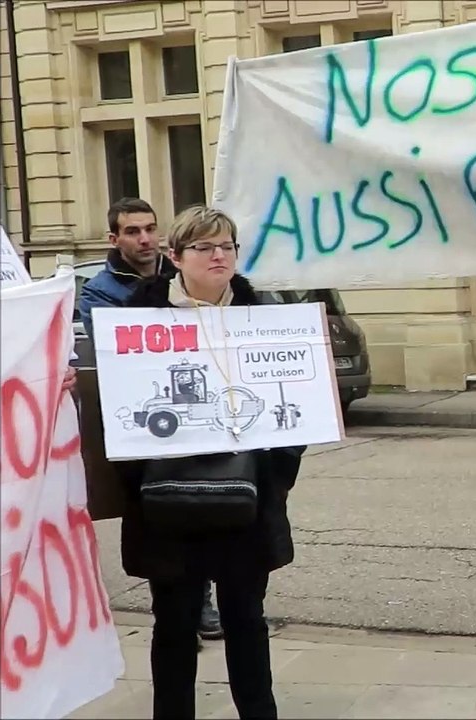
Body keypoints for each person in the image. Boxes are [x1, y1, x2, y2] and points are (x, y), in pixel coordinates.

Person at [119, 205, 305, 719]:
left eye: (226, 245)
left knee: (246, 619)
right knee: (174, 624)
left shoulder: (263, 315)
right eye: (204, 246)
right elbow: (115, 411)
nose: (218, 255)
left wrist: (275, 473)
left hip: (246, 500)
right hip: (166, 502)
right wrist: (141, 479)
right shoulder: (138, 315)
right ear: (176, 256)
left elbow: (294, 404)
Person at [81, 198, 224, 643]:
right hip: (149, 422)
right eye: (132, 231)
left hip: (202, 411)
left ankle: (202, 598)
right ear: (114, 239)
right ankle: (183, 607)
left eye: (150, 229)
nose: (145, 239)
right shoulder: (100, 292)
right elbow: (115, 356)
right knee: (164, 516)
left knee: (208, 504)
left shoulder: (182, 274)